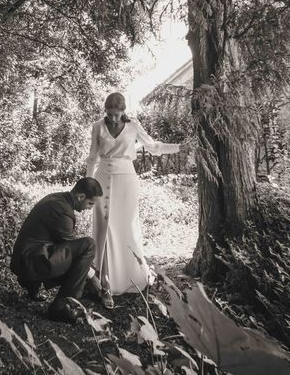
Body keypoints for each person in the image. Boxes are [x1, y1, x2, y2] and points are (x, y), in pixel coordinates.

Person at [86, 92, 180, 308]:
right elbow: (93, 157)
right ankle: (103, 283)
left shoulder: (134, 125)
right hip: (102, 178)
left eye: (117, 114)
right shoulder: (98, 126)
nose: (113, 119)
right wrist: (87, 184)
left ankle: (131, 275)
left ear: (124, 111)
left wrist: (178, 148)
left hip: (127, 179)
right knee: (104, 228)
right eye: (109, 114)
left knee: (126, 227)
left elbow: (153, 146)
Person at [10, 177, 104, 323]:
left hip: (25, 257)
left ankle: (32, 284)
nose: (90, 208)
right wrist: (93, 276)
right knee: (88, 245)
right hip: (29, 262)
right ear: (81, 196)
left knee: (81, 258)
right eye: (90, 203)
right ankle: (60, 306)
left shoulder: (57, 198)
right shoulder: (63, 211)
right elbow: (74, 253)